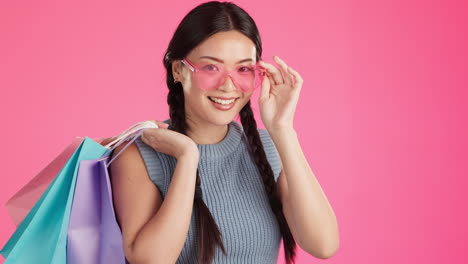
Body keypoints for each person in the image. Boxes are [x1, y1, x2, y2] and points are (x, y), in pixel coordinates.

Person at [109, 1, 339, 263]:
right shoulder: (140, 153)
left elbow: (324, 244)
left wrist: (283, 130)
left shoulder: (268, 148)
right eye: (211, 67)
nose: (228, 85)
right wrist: (187, 157)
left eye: (243, 69)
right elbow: (150, 260)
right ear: (178, 69)